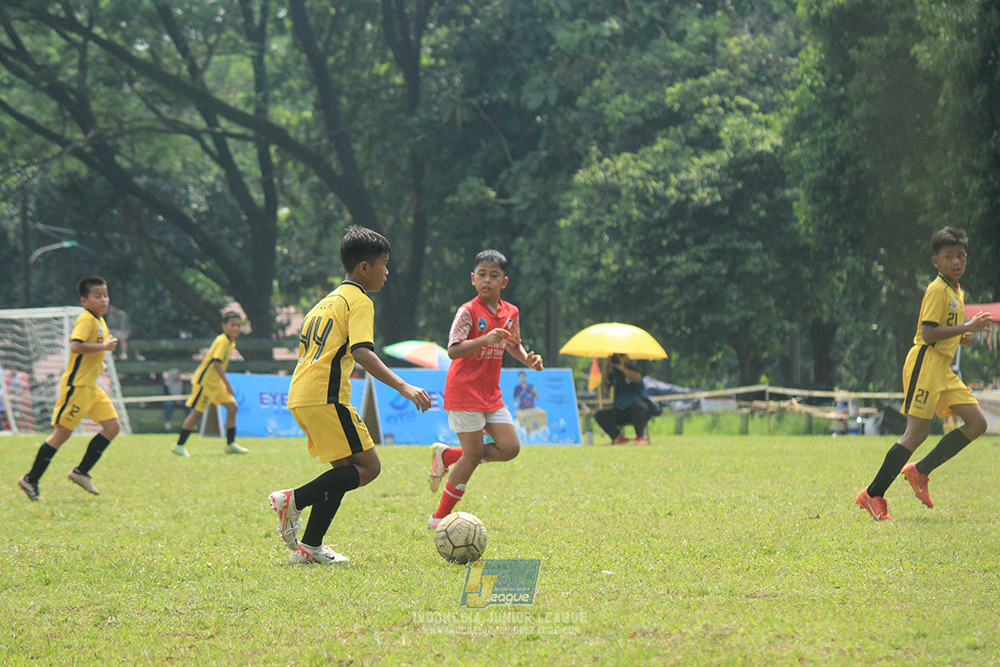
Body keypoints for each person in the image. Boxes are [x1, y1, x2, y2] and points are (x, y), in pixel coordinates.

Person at [268, 226, 431, 565]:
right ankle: (292, 500)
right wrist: (403, 385)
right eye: (384, 264)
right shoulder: (359, 301)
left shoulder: (323, 303)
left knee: (343, 471)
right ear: (364, 268)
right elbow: (361, 352)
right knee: (369, 467)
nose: (387, 272)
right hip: (325, 397)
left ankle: (310, 548)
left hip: (301, 393)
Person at [856, 227, 994, 520]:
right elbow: (928, 332)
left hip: (943, 367)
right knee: (915, 433)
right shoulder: (937, 289)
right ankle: (873, 493)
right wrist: (966, 328)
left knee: (977, 423)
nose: (956, 262)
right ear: (936, 261)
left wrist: (961, 336)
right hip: (926, 364)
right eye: (949, 257)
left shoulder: (957, 291)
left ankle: (919, 471)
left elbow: (945, 332)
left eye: (961, 256)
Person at [426, 249, 544, 528]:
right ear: (472, 279)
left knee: (510, 448)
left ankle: (446, 456)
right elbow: (453, 350)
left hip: (491, 394)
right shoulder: (467, 312)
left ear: (504, 282)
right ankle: (439, 517)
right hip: (463, 391)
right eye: (482, 275)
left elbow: (512, 343)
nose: (487, 280)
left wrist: (527, 358)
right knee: (474, 454)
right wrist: (485, 338)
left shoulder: (511, 312)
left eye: (494, 276)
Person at [17, 276, 120, 500]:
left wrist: (98, 361)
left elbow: (87, 352)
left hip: (91, 387)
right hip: (77, 388)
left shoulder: (100, 321)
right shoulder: (86, 319)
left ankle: (81, 472)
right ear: (85, 301)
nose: (104, 300)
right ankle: (30, 479)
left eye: (105, 295)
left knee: (112, 427)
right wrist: (103, 346)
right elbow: (76, 346)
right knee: (61, 435)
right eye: (97, 296)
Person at [172, 311, 248, 456]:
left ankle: (230, 444)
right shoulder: (222, 341)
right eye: (233, 325)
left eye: (239, 325)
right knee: (197, 414)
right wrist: (228, 384)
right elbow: (216, 363)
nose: (236, 328)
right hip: (206, 383)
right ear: (224, 326)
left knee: (232, 407)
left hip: (216, 384)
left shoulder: (231, 342)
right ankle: (179, 445)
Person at [594, 353, 653, 446]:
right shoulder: (614, 372)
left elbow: (637, 379)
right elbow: (605, 383)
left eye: (621, 356)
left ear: (626, 357)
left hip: (639, 411)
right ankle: (617, 437)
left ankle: (640, 437)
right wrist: (606, 364)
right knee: (599, 415)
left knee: (637, 406)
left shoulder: (633, 368)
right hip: (621, 411)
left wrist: (623, 368)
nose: (618, 358)